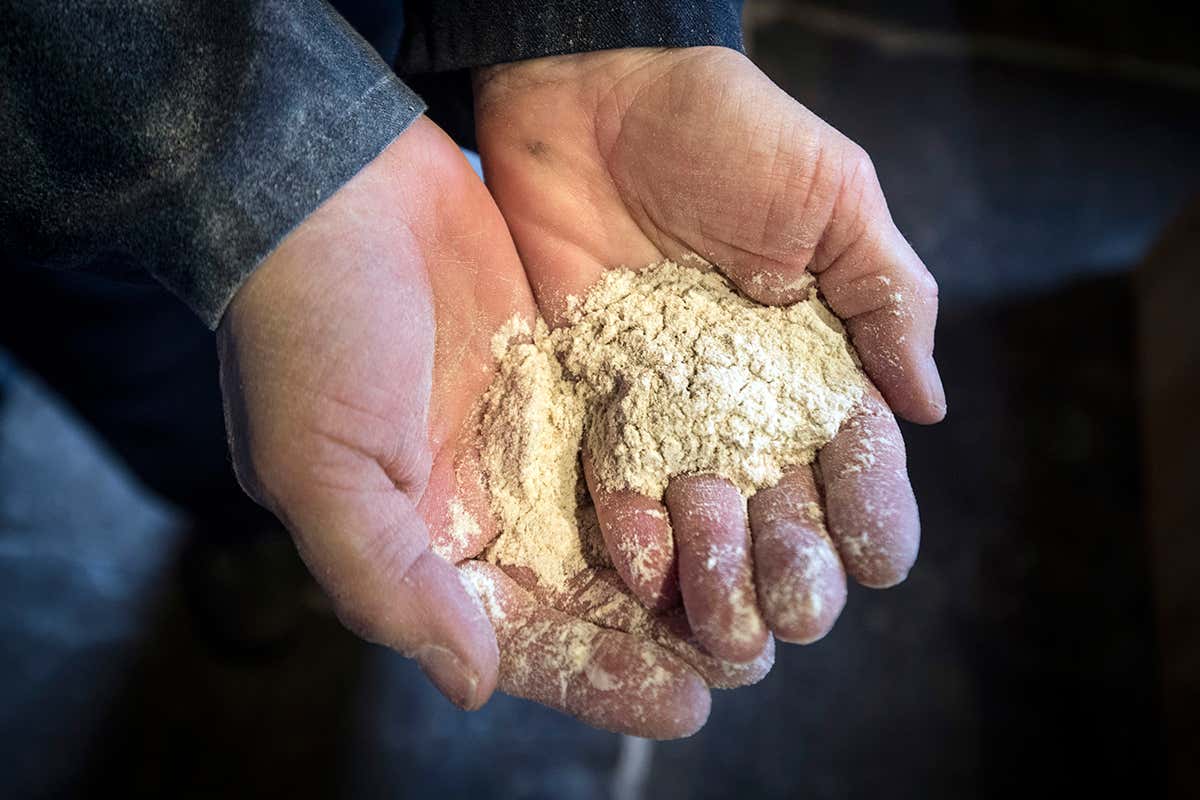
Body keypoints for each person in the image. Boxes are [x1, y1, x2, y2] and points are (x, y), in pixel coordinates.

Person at [1, 1, 944, 738]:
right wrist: (263, 174)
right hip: (59, 124)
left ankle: (270, 511)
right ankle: (236, 517)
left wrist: (599, 34)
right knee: (154, 365)